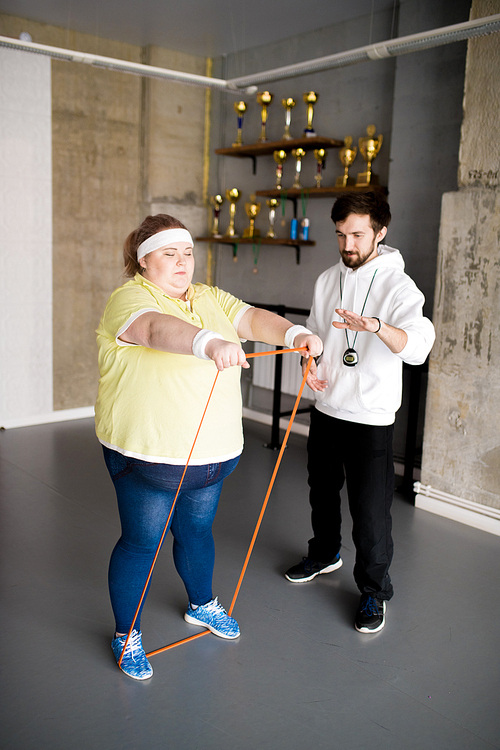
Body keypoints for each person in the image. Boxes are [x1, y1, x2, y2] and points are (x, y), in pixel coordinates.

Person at [95, 213, 322, 679]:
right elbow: (157, 330)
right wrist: (207, 342)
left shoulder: (210, 297)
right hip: (150, 455)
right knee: (143, 542)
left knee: (197, 532)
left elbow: (254, 318)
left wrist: (296, 334)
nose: (182, 263)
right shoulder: (129, 299)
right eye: (168, 254)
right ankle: (126, 633)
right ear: (143, 263)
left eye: (187, 253)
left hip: (211, 456)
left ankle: (202, 604)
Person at [284, 192, 435, 634]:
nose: (347, 244)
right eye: (340, 234)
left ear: (380, 232)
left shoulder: (399, 286)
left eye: (357, 234)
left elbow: (419, 345)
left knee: (370, 512)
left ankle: (373, 590)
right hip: (327, 406)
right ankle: (325, 553)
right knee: (321, 491)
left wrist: (374, 327)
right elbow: (313, 334)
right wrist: (308, 363)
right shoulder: (328, 279)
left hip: (370, 416)